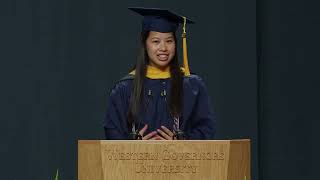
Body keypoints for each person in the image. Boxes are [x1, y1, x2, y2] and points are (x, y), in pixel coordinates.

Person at [103, 7, 216, 140]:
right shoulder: (125, 88)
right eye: (156, 41)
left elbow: (206, 130)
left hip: (182, 161)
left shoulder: (192, 86)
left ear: (175, 43)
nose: (163, 48)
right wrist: (133, 147)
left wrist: (181, 143)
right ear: (145, 44)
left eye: (169, 41)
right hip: (136, 161)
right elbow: (112, 133)